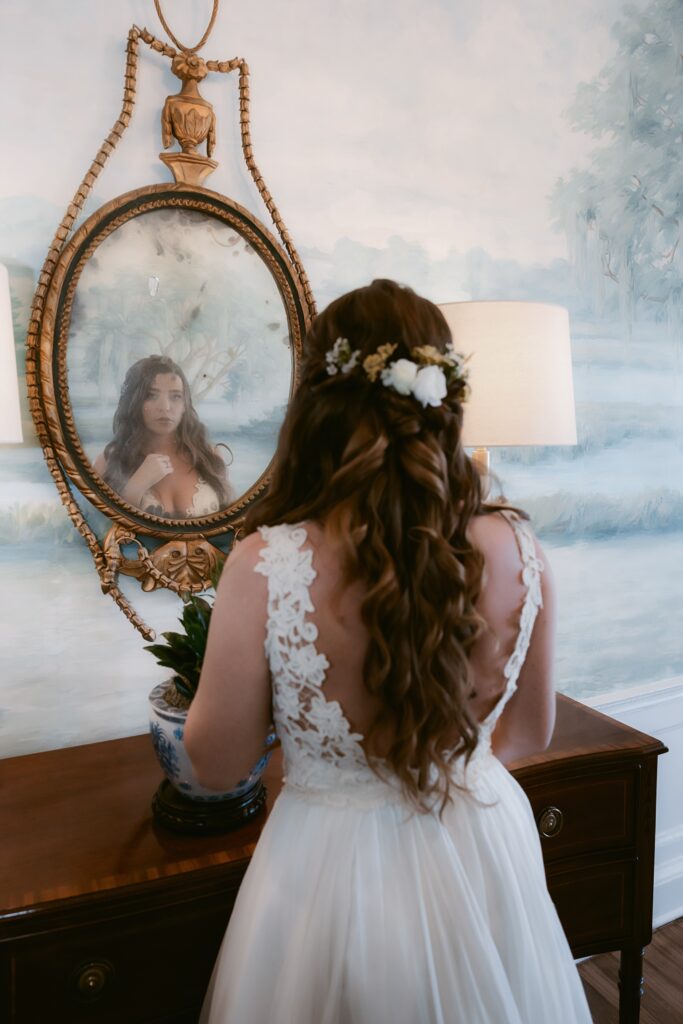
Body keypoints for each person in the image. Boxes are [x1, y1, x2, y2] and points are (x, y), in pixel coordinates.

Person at [185, 279, 592, 1023]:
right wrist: (432, 771)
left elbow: (213, 767)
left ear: (316, 402)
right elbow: (529, 734)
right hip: (481, 842)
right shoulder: (519, 548)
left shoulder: (265, 563)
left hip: (329, 868)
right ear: (446, 396)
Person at [93, 354, 233, 517]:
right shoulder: (106, 462)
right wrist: (135, 487)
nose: (165, 407)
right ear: (134, 401)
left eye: (175, 396)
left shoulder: (209, 456)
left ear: (184, 406)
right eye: (151, 395)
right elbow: (100, 532)